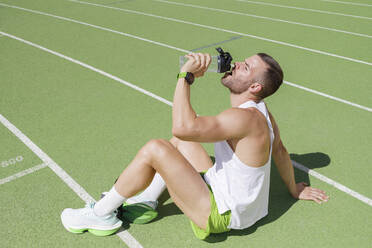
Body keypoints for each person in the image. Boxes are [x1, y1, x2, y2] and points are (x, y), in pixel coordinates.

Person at [61, 52, 329, 239]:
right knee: (179, 143)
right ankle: (147, 200)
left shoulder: (243, 118)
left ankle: (101, 214)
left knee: (156, 148)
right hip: (237, 204)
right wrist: (294, 189)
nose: (235, 64)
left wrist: (185, 77)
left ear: (255, 86)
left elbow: (182, 125)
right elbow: (280, 150)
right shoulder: (262, 111)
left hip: (220, 215)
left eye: (245, 67)